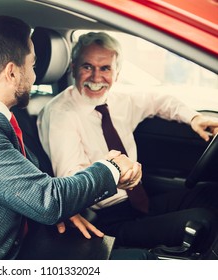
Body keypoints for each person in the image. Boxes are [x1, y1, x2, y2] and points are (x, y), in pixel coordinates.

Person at [0, 16, 156, 260]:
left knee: (140, 259)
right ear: (12, 72)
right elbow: (45, 199)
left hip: (19, 244)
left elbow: (32, 185)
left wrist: (63, 212)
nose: (35, 76)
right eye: (33, 65)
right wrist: (111, 169)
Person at [37, 31, 218, 254]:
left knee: (210, 194)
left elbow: (158, 100)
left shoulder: (118, 100)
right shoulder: (60, 114)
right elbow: (72, 179)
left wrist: (194, 118)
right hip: (106, 219)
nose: (96, 77)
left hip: (138, 202)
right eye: (87, 66)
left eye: (105, 68)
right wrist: (114, 175)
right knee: (203, 220)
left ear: (117, 73)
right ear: (73, 67)